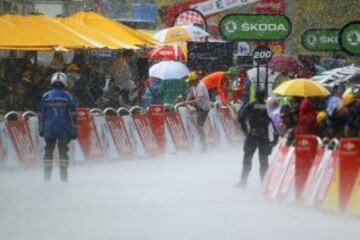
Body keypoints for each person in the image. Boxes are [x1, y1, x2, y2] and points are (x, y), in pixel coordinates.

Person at [39, 72, 77, 182]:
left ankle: (47, 177)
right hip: (63, 130)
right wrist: (73, 131)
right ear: (64, 82)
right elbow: (72, 116)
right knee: (63, 153)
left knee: (48, 151)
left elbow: (41, 115)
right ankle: (64, 177)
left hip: (49, 129)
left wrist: (41, 130)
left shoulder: (45, 96)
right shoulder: (68, 97)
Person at [238, 89, 278, 187]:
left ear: (255, 96)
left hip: (252, 135)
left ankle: (243, 182)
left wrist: (245, 130)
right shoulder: (268, 107)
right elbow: (275, 123)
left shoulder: (250, 105)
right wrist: (275, 140)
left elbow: (241, 117)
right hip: (264, 136)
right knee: (264, 161)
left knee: (247, 159)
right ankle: (264, 183)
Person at [185, 71, 212, 151]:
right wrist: (187, 99)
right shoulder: (193, 85)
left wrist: (188, 102)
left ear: (195, 80)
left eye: (190, 81)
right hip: (199, 106)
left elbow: (199, 99)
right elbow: (191, 94)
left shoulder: (200, 86)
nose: (189, 83)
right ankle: (201, 144)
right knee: (197, 125)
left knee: (199, 126)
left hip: (204, 108)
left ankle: (204, 146)